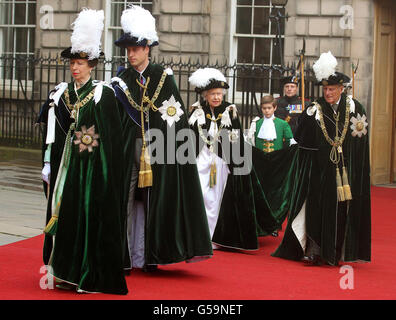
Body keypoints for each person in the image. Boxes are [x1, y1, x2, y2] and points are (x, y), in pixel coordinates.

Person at [110, 5, 213, 272]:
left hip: (158, 149)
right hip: (127, 148)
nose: (131, 54)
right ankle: (123, 256)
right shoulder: (122, 78)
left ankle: (150, 256)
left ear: (147, 48)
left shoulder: (162, 78)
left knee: (155, 201)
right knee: (125, 200)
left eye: (135, 49)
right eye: (128, 50)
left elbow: (174, 116)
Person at [36, 9, 128, 294]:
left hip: (92, 169)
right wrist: (50, 161)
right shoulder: (62, 94)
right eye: (73, 63)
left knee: (89, 218)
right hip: (68, 166)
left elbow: (111, 138)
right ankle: (65, 270)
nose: (75, 68)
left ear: (92, 65)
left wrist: (101, 168)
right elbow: (56, 131)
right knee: (65, 215)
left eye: (80, 63)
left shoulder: (105, 94)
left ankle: (89, 272)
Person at [272, 51, 371, 266]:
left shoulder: (355, 108)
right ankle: (314, 250)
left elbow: (360, 143)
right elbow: (302, 141)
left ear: (341, 89)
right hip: (319, 170)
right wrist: (307, 120)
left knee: (342, 210)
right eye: (325, 89)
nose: (328, 93)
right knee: (316, 208)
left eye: (332, 89)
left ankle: (338, 251)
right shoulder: (313, 110)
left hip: (345, 171)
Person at [188, 68, 281, 250]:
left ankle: (215, 236)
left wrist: (236, 161)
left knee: (218, 198)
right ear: (206, 95)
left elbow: (236, 138)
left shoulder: (230, 110)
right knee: (202, 195)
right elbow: (189, 137)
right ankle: (200, 233)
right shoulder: (196, 111)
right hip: (202, 159)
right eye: (213, 94)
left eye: (219, 94)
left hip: (222, 161)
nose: (216, 97)